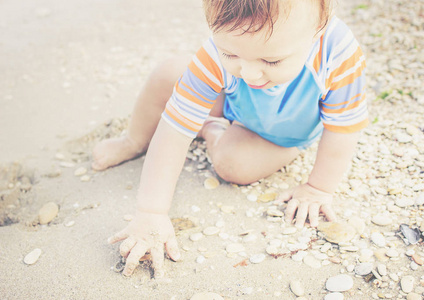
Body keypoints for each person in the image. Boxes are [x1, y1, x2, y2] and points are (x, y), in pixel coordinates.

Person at [92, 0, 368, 277]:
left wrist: (318, 188)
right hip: (236, 101)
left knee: (233, 164)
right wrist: (151, 211)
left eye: (271, 60)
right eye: (230, 54)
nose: (249, 73)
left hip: (283, 132)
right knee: (166, 73)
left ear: (318, 29)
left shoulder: (338, 52)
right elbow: (173, 132)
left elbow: (342, 128)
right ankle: (134, 140)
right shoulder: (221, 54)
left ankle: (209, 129)